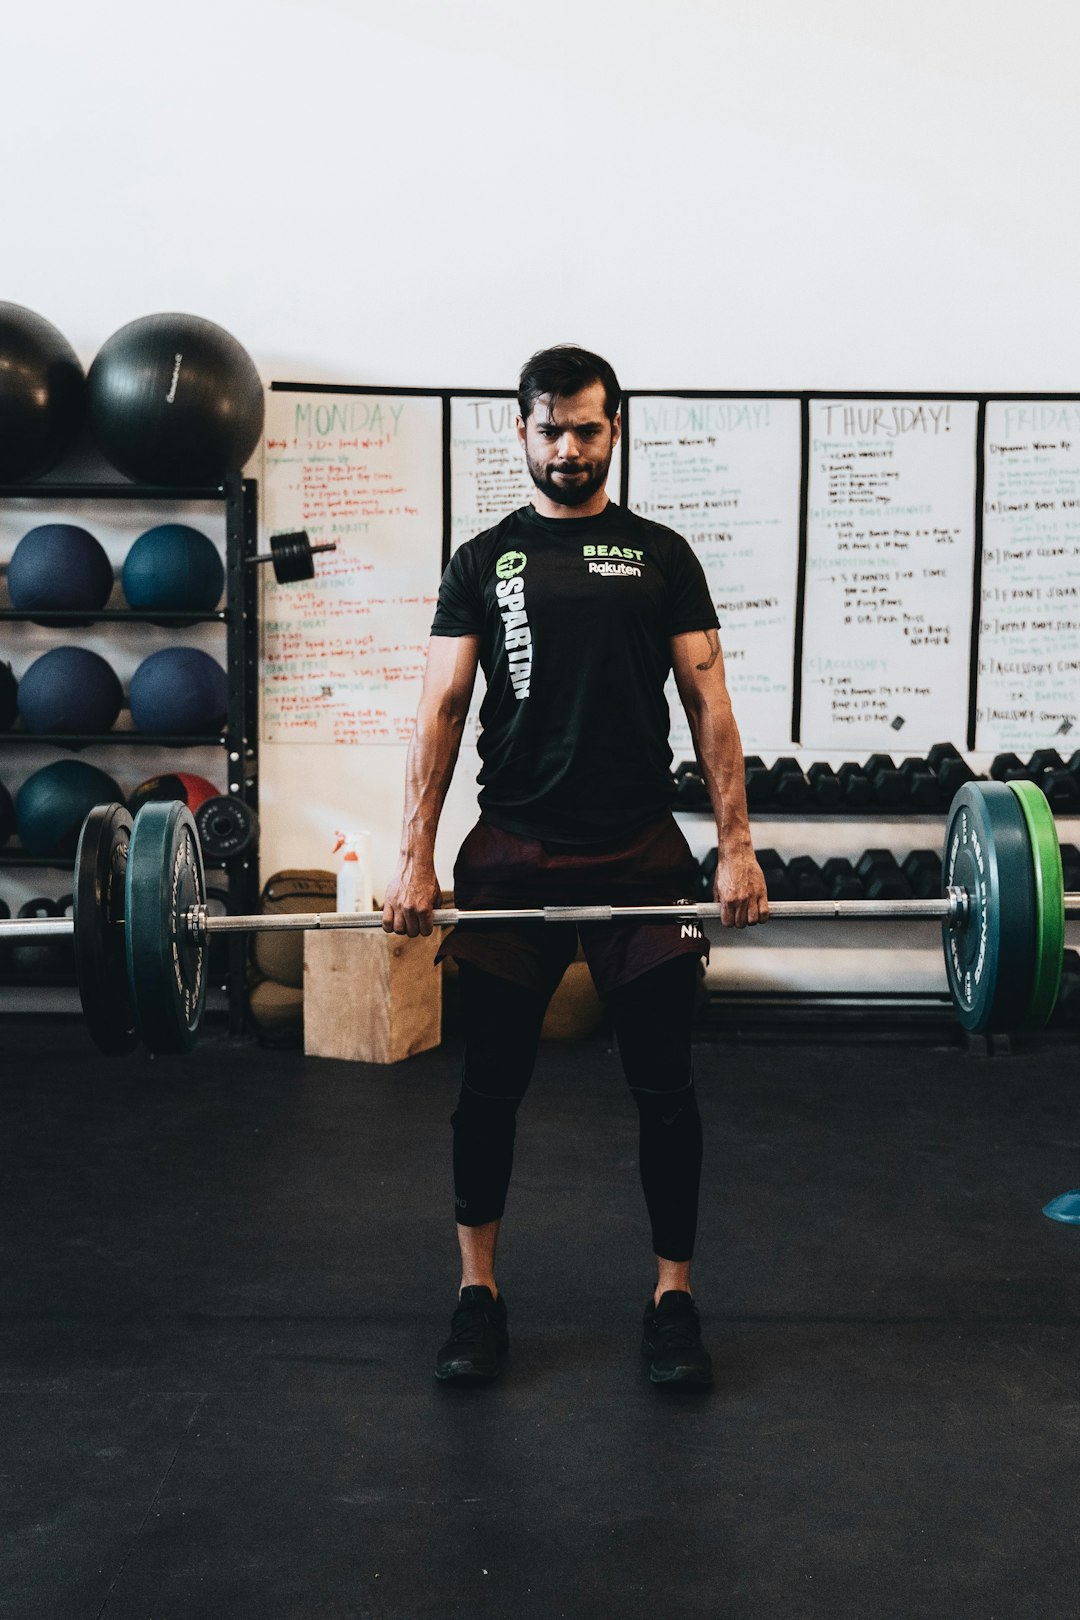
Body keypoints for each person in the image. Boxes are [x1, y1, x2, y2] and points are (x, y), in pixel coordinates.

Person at [383, 344, 767, 1387]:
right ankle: (478, 1295)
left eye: (586, 428)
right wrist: (415, 857)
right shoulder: (482, 562)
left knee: (666, 1089)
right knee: (488, 1089)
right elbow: (442, 711)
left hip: (641, 850)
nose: (566, 447)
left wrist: (735, 847)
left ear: (615, 431)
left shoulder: (660, 555)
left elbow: (710, 704)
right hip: (512, 852)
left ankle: (673, 1300)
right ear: (521, 432)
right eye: (549, 428)